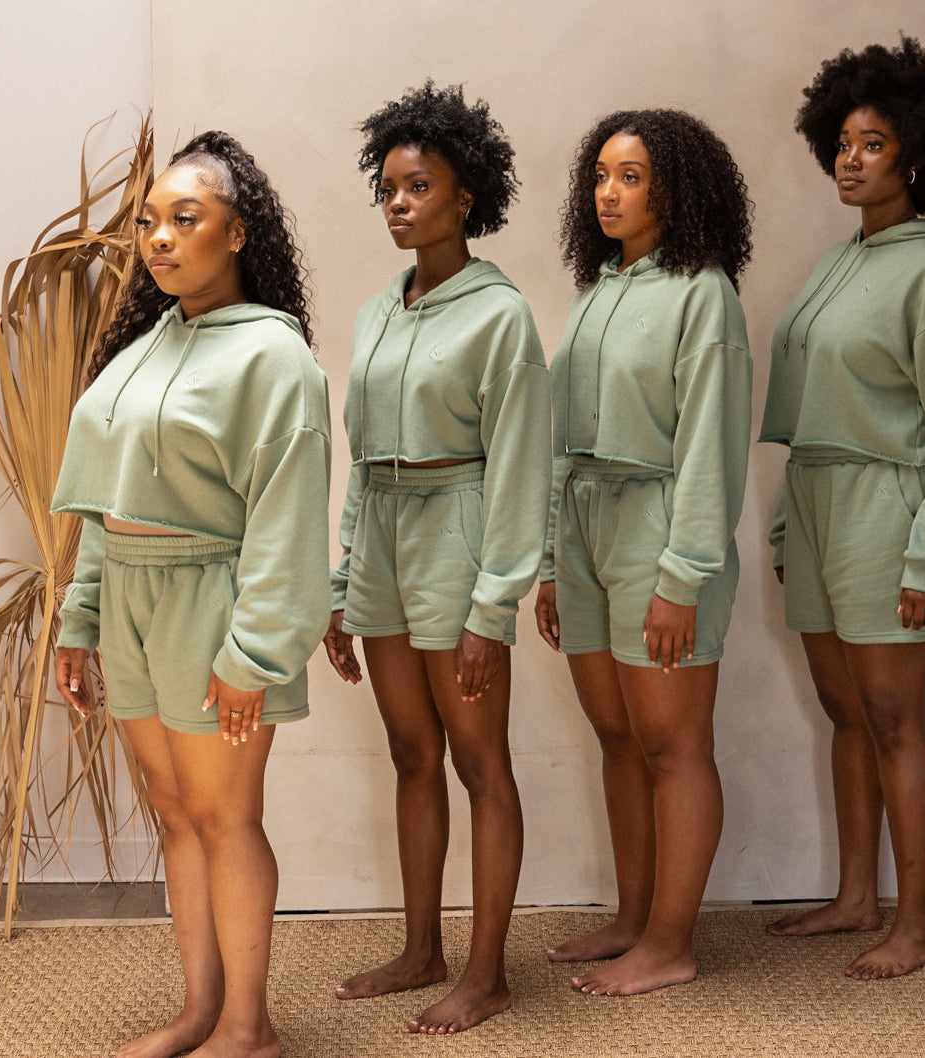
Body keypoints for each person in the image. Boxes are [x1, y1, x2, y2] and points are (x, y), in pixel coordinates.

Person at [52, 131, 331, 1058]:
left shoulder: (275, 358)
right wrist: (80, 618)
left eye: (186, 219)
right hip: (128, 602)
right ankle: (198, 1011)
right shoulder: (145, 345)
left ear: (239, 232)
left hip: (210, 605)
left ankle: (249, 1028)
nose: (161, 239)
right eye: (150, 223)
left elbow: (287, 522)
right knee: (175, 815)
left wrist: (254, 653)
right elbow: (106, 499)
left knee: (224, 816)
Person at [760, 37, 925, 980]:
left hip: (886, 513)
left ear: (917, 156)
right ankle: (857, 897)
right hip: (817, 507)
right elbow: (811, 411)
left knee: (895, 716)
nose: (849, 160)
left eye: (872, 143)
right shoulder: (837, 262)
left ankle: (917, 924)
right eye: (843, 142)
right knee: (841, 708)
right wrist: (784, 521)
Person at [323, 81, 550, 1035]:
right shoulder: (378, 311)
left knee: (475, 758)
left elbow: (521, 465)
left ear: (467, 197)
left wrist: (491, 608)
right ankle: (422, 949)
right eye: (388, 189)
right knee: (409, 752)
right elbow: (361, 456)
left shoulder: (500, 315)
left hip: (459, 531)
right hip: (381, 534)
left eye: (418, 187)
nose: (399, 203)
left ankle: (488, 973)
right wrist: (341, 583)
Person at [534, 109, 754, 997]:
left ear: (676, 185)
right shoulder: (594, 295)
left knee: (672, 746)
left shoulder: (704, 294)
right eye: (599, 176)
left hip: (660, 532)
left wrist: (682, 577)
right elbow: (557, 439)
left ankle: (670, 942)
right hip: (584, 529)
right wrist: (551, 562)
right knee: (616, 739)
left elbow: (711, 444)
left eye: (630, 175)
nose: (608, 193)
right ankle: (631, 920)